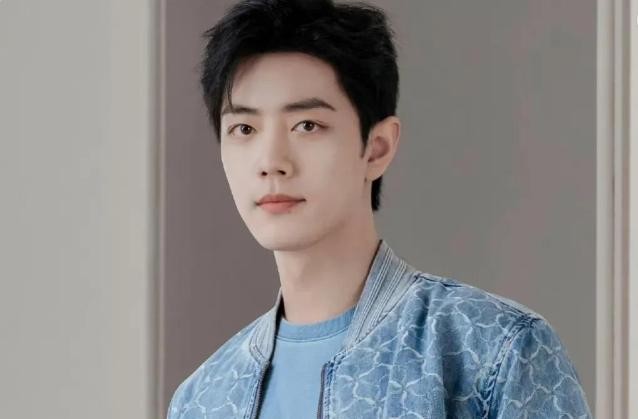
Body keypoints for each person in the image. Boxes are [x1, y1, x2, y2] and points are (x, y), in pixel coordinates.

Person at [167, 0, 593, 417]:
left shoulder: (496, 350)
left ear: (377, 148)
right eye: (244, 128)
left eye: (307, 125)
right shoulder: (202, 399)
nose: (271, 161)